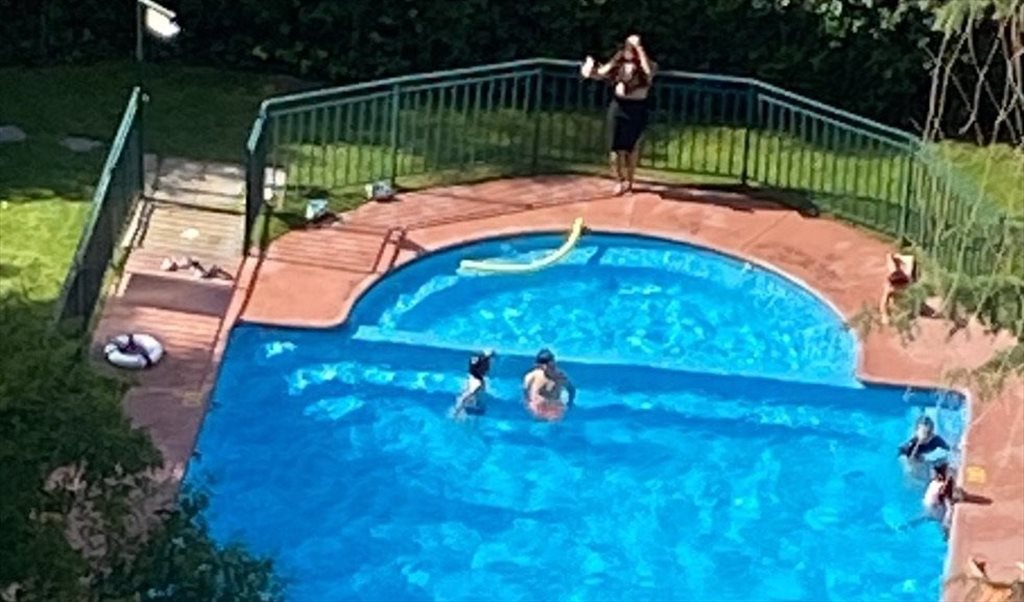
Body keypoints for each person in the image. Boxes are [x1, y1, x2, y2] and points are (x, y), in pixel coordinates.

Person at [581, 34, 656, 196]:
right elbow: (602, 72)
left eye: (634, 48)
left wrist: (639, 49)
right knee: (615, 147)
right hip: (619, 106)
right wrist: (589, 69)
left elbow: (648, 72)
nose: (630, 51)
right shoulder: (619, 62)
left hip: (637, 108)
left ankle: (630, 181)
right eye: (629, 46)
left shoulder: (648, 64)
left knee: (632, 148)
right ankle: (619, 180)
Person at [522, 349, 576, 421]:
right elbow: (526, 391)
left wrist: (569, 404)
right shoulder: (532, 376)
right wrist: (527, 402)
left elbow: (571, 390)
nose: (546, 367)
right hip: (537, 407)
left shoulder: (561, 377)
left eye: (549, 364)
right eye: (543, 365)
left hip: (554, 409)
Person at [452, 350, 494, 419]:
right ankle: (485, 357)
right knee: (480, 371)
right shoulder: (472, 395)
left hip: (475, 380)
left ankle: (483, 357)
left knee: (478, 371)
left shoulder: (470, 395)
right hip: (475, 380)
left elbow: (466, 399)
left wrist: (457, 412)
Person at [923, 461, 959, 536]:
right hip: (935, 508)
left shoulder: (933, 482)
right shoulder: (943, 486)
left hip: (926, 505)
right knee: (949, 512)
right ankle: (945, 532)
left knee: (930, 518)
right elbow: (947, 498)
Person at [879, 253, 916, 325]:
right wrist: (884, 315)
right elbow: (883, 302)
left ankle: (897, 257)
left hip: (905, 278)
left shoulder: (909, 284)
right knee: (892, 267)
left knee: (909, 262)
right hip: (896, 277)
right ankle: (890, 256)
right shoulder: (890, 287)